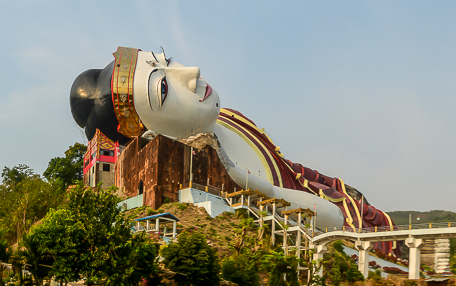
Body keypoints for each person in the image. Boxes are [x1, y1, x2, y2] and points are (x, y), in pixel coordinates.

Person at [71, 47, 396, 250]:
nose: (192, 72)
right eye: (164, 87)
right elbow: (333, 218)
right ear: (152, 135)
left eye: (166, 60)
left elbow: (295, 172)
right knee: (368, 223)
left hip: (311, 184)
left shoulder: (228, 118)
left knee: (352, 198)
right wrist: (239, 176)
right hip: (326, 218)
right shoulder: (202, 162)